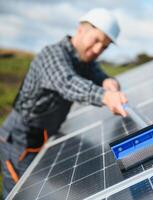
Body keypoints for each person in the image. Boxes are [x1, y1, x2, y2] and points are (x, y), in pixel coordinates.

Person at [0, 8, 128, 199]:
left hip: (46, 136)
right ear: (81, 30)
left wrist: (109, 82)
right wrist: (105, 96)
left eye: (104, 47)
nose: (97, 50)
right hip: (20, 141)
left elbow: (99, 75)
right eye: (96, 40)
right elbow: (67, 82)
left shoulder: (85, 61)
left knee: (43, 191)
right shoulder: (51, 55)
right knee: (23, 193)